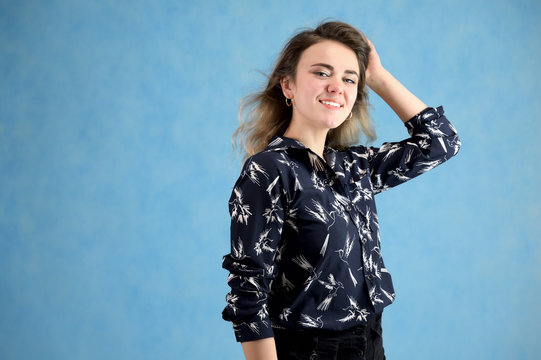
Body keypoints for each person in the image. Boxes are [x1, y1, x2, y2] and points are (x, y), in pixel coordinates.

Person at [222, 21, 460, 360]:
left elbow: (441, 142)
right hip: (308, 348)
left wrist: (376, 75)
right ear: (287, 85)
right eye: (322, 73)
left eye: (349, 78)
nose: (337, 87)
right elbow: (248, 288)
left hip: (370, 339)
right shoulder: (269, 170)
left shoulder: (355, 167)